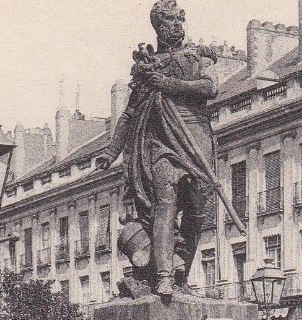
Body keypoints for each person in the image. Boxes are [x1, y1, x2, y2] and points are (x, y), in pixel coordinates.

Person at [97, 0, 227, 297]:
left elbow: (210, 88)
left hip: (195, 137)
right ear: (157, 25)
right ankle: (164, 276)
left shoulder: (197, 56)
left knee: (195, 214)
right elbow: (129, 115)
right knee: (164, 206)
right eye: (170, 21)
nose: (177, 25)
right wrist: (111, 151)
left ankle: (182, 277)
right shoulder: (145, 68)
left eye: (180, 19)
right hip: (161, 142)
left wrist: (166, 83)